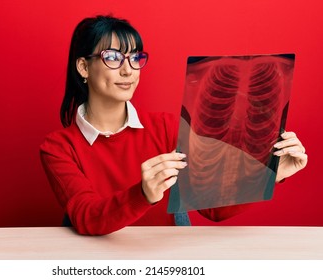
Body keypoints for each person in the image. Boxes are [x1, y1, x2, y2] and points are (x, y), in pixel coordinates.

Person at [40, 15, 308, 235]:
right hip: (93, 266)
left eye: (135, 58)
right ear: (84, 67)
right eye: (113, 57)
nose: (128, 70)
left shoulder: (167, 128)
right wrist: (143, 193)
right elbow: (88, 217)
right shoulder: (58, 148)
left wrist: (271, 174)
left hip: (167, 264)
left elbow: (213, 208)